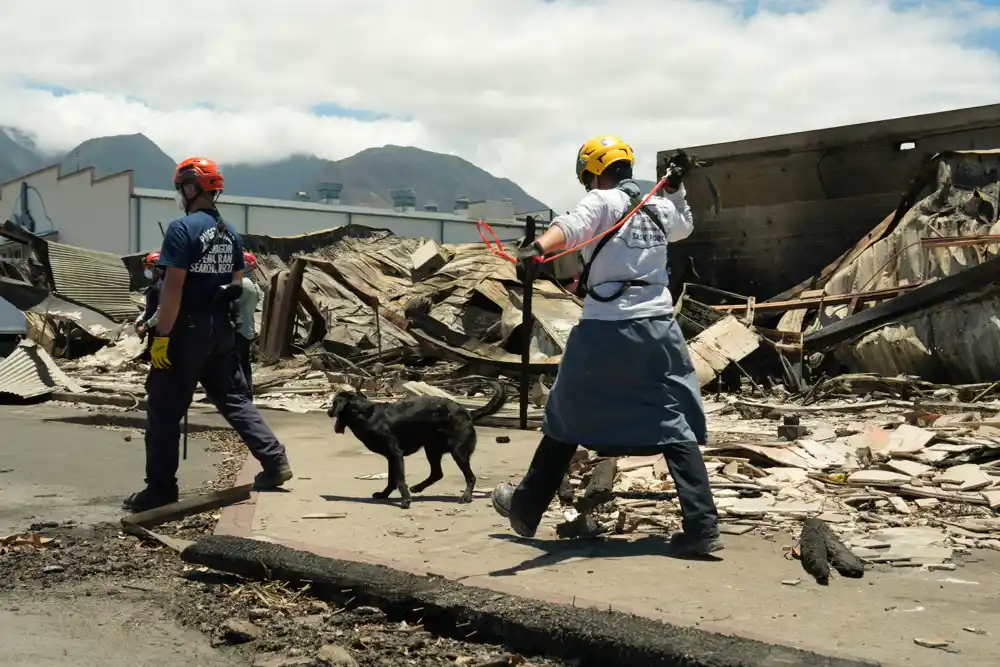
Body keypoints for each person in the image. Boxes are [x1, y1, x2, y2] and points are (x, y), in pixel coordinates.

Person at [490, 135, 722, 557]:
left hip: (606, 328)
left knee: (565, 414)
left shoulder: (603, 201)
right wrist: (676, 188)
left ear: (594, 172)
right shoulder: (658, 206)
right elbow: (684, 225)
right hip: (658, 326)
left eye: (587, 178)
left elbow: (573, 225)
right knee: (673, 417)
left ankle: (525, 509)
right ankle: (702, 526)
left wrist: (536, 248)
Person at [122, 157, 293, 512]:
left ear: (189, 188)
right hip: (221, 332)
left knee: (164, 410)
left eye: (180, 188)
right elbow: (235, 284)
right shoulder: (230, 233)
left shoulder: (181, 230)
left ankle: (160, 490)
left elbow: (172, 291)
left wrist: (163, 338)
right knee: (233, 399)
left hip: (185, 331)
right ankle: (275, 461)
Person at [234, 250, 262, 397]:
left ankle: (241, 393)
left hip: (238, 329)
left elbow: (230, 305)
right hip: (246, 328)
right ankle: (247, 392)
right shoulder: (253, 284)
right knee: (244, 363)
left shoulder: (241, 284)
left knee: (236, 364)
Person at [134, 252, 164, 337]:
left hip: (162, 332)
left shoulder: (164, 284)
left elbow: (163, 310)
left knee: (159, 350)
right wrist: (140, 319)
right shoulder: (155, 284)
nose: (147, 271)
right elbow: (151, 307)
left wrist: (146, 326)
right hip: (153, 330)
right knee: (152, 350)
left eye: (149, 267)